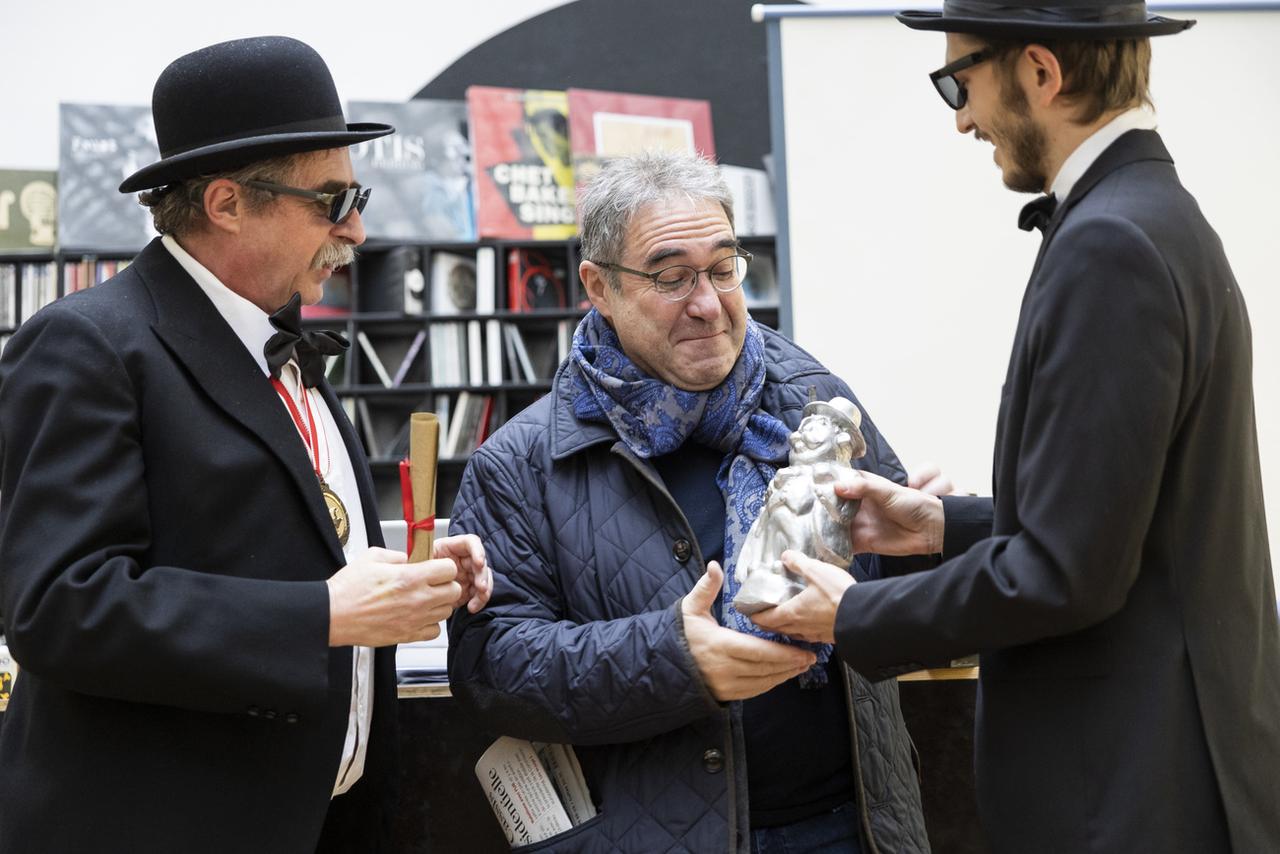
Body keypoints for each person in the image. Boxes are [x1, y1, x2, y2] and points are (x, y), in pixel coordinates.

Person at [752, 2, 1280, 851]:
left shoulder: (1111, 245)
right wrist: (943, 527)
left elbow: (1067, 573)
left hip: (1132, 795)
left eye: (960, 80)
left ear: (1041, 71)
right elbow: (1126, 529)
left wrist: (858, 614)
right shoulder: (1154, 216)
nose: (961, 116)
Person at [0, 37, 491, 854]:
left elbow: (288, 536)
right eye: (332, 200)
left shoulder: (279, 339)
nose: (359, 230)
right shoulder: (88, 345)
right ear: (227, 203)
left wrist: (413, 570)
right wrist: (323, 614)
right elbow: (58, 606)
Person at [448, 151, 932, 853]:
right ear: (599, 287)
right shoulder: (520, 464)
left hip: (853, 829)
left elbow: (892, 599)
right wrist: (674, 659)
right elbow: (493, 669)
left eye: (724, 267)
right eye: (672, 277)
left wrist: (925, 544)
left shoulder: (815, 401)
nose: (708, 304)